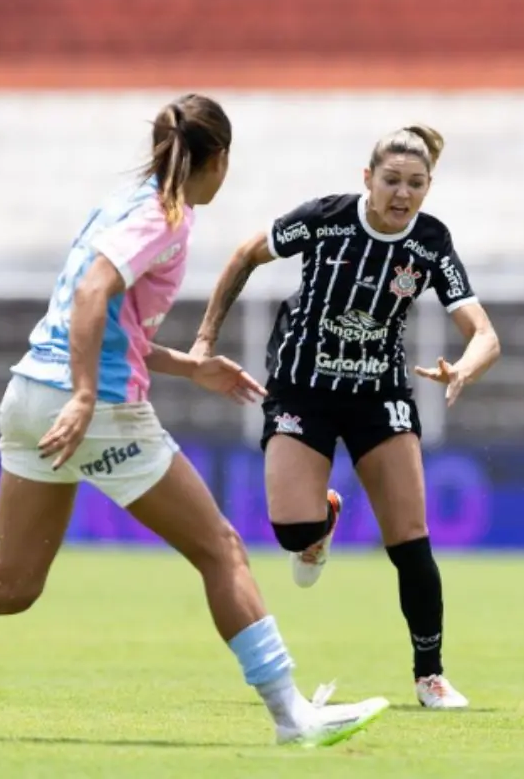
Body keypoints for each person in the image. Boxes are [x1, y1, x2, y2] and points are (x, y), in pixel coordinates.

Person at [0, 94, 388, 747]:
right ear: (219, 160)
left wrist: (188, 367)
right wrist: (80, 396)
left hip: (26, 397)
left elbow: (107, 320)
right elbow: (93, 294)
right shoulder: (166, 218)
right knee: (221, 550)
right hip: (93, 409)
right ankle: (290, 716)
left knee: (10, 583)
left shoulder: (121, 206)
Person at [190, 125, 500, 710]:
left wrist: (465, 367)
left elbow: (484, 333)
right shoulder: (326, 218)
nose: (402, 194)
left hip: (378, 395)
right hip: (303, 388)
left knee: (410, 540)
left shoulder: (430, 243)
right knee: (291, 530)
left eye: (415, 183)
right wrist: (206, 337)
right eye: (391, 181)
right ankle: (320, 525)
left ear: (429, 186)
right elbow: (245, 254)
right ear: (368, 179)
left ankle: (430, 675)